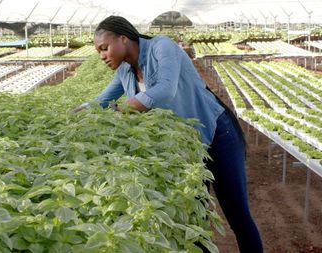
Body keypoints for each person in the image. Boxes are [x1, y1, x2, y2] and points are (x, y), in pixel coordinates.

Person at [77, 16, 263, 253]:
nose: (102, 56)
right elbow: (102, 101)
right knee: (195, 220)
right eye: (98, 52)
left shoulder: (161, 46)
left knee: (237, 213)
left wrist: (123, 108)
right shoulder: (124, 71)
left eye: (104, 48)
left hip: (216, 132)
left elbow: (165, 90)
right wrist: (76, 112)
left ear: (123, 38)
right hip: (187, 147)